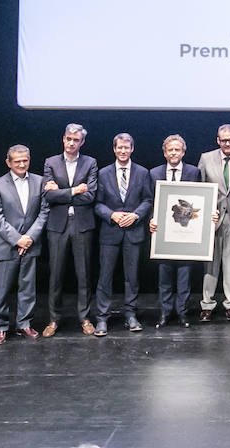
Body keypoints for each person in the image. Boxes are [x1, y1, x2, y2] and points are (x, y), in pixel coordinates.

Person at [41, 123, 99, 337]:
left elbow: (90, 196)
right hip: (57, 225)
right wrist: (75, 190)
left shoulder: (90, 163)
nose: (71, 143)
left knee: (83, 274)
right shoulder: (51, 162)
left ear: (82, 142)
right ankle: (54, 319)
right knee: (55, 274)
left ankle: (84, 318)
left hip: (82, 224)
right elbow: (48, 195)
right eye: (68, 139)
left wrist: (61, 192)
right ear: (63, 139)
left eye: (76, 140)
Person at [92, 133, 152, 335]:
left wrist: (136, 215)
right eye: (120, 148)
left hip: (134, 232)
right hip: (110, 232)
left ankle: (131, 315)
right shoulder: (103, 173)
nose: (123, 151)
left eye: (127, 147)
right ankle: (101, 318)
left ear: (132, 149)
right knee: (105, 277)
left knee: (132, 277)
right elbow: (97, 204)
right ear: (114, 149)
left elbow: (148, 201)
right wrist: (112, 215)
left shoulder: (143, 173)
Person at [0, 144, 49, 345]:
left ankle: (24, 323)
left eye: (25, 160)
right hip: (7, 246)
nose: (22, 164)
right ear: (8, 162)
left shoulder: (40, 182)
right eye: (17, 161)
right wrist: (18, 239)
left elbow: (43, 213)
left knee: (28, 287)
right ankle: (0, 326)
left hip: (31, 245)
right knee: (3, 289)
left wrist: (29, 238)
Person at [149, 134, 200, 328]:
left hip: (186, 233)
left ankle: (183, 313)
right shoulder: (154, 173)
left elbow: (200, 200)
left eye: (177, 149)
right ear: (164, 152)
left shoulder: (194, 172)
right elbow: (149, 201)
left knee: (185, 276)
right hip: (163, 234)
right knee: (164, 277)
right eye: (170, 149)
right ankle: (165, 313)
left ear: (183, 152)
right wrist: (150, 220)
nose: (173, 153)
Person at [197, 124, 230, 322]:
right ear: (218, 140)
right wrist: (205, 213)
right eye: (224, 140)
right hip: (212, 218)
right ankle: (207, 305)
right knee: (210, 264)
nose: (227, 143)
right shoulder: (206, 158)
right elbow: (199, 190)